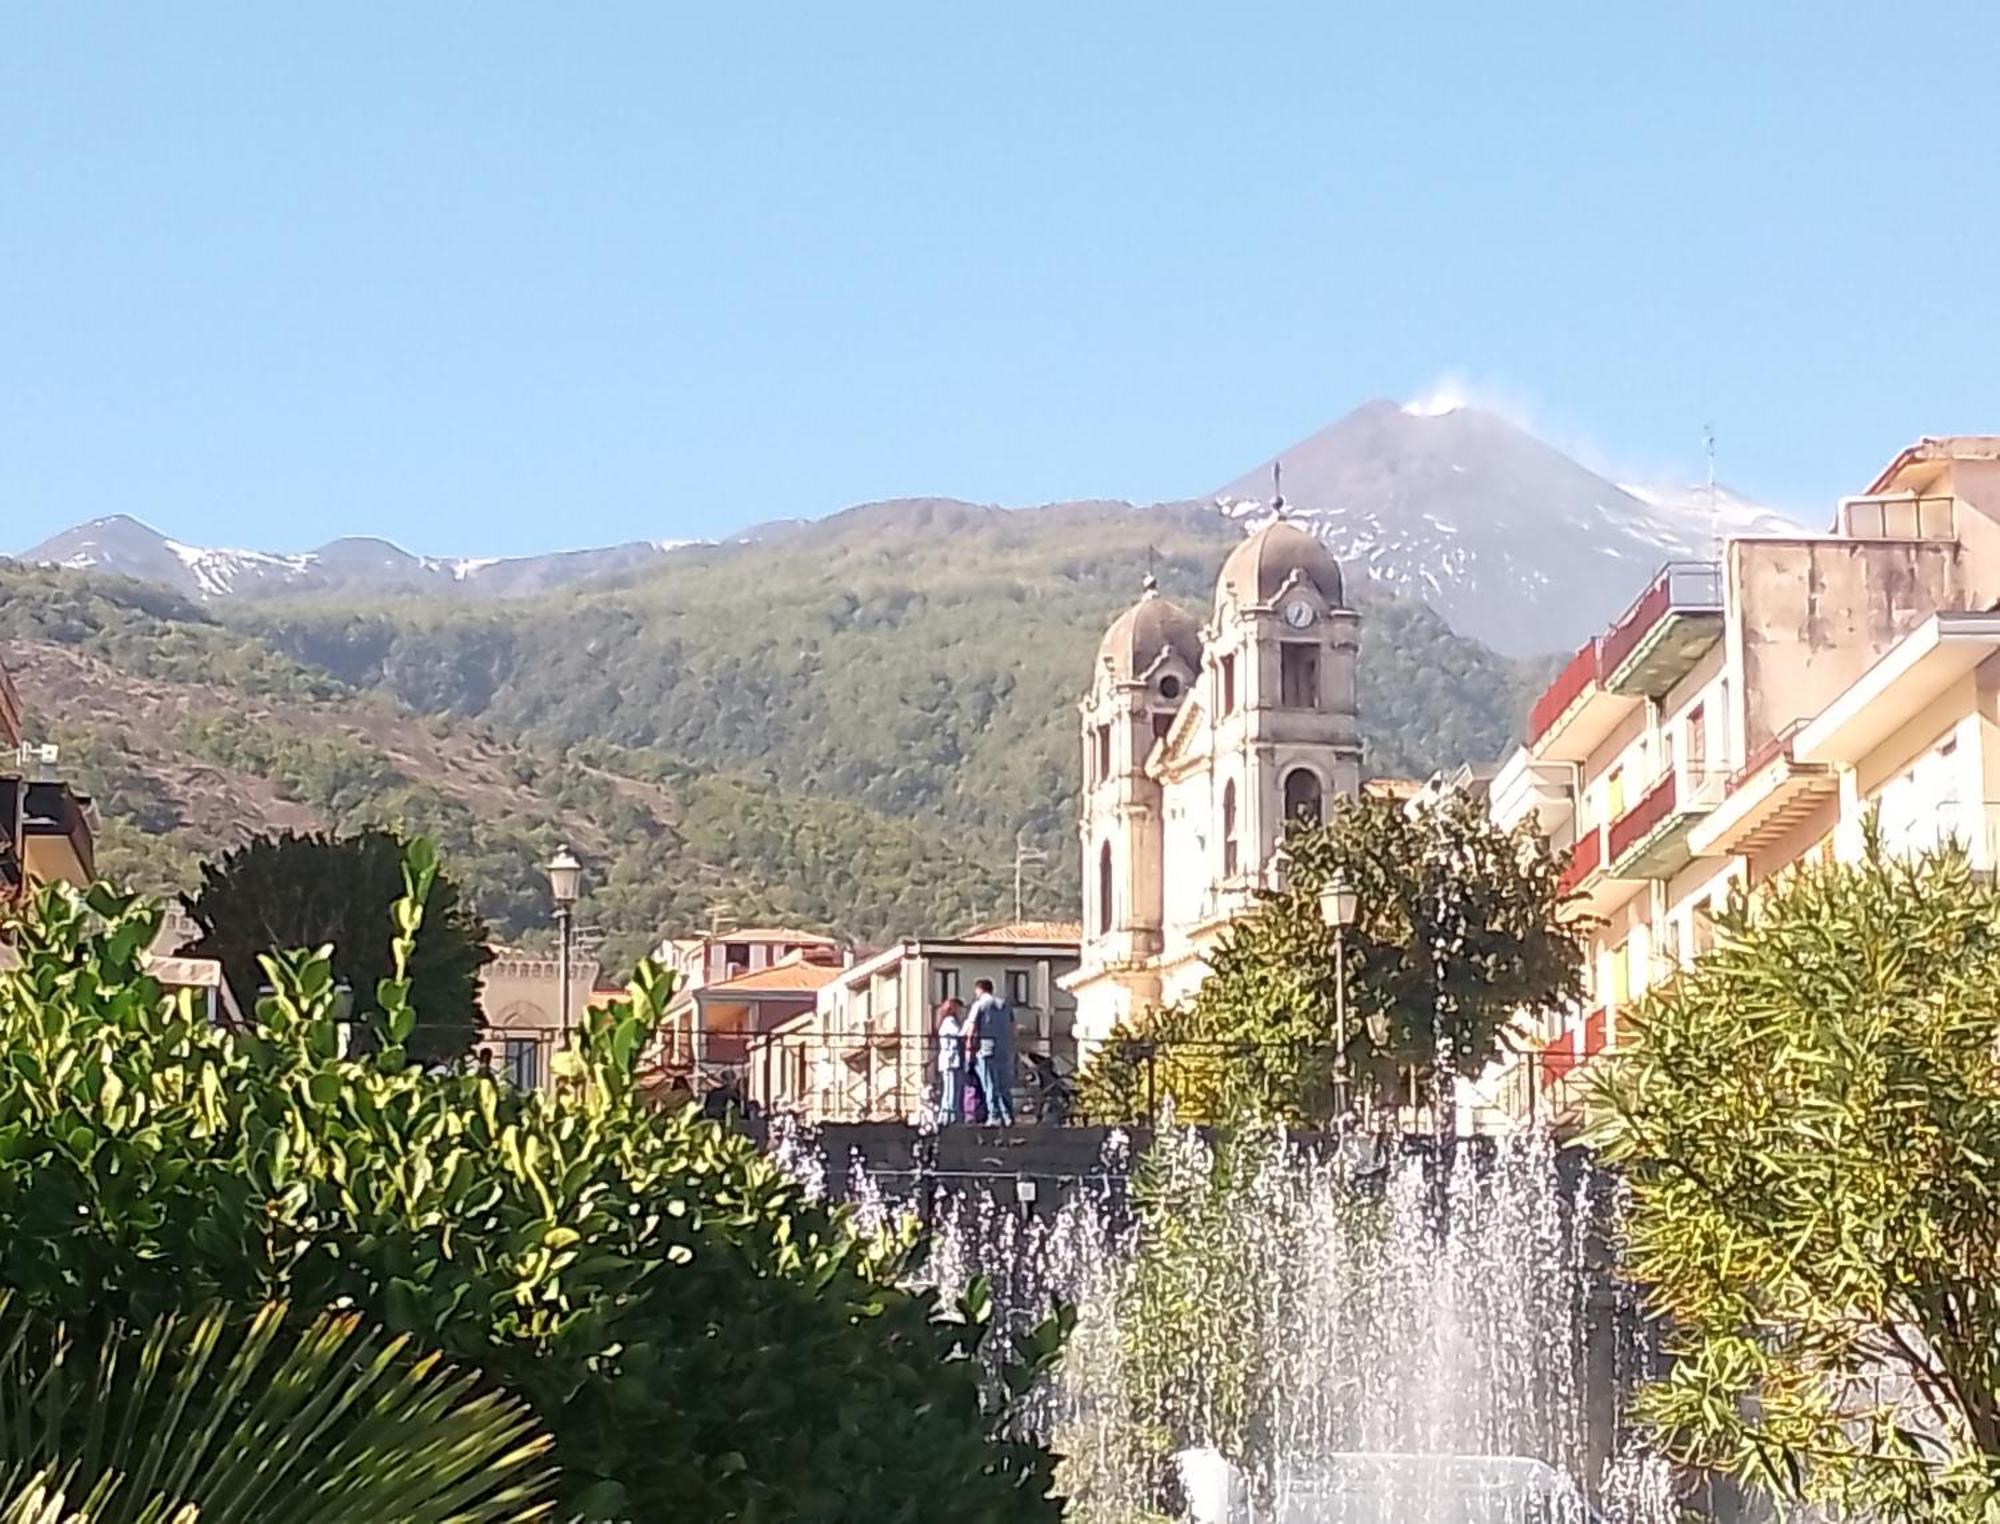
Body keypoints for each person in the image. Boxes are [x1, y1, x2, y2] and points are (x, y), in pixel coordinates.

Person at [965, 977, 1015, 1126]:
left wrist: (969, 1050)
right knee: (1004, 1085)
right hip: (1004, 1049)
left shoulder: (979, 1005)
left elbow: (971, 1029)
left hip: (986, 1049)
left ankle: (994, 1116)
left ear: (979, 990)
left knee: (990, 1084)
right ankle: (1008, 1116)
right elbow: (1014, 1027)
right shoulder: (1005, 1005)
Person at [934, 997, 967, 1125]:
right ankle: (950, 1115)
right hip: (951, 1059)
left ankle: (947, 1114)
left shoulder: (946, 1021)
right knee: (951, 1088)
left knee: (950, 1087)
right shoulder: (950, 1021)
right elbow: (959, 1035)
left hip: (948, 1059)